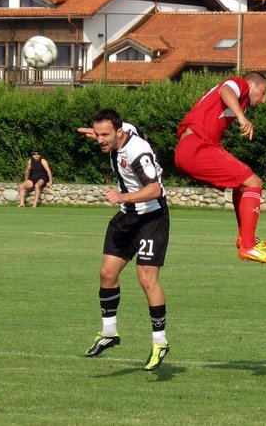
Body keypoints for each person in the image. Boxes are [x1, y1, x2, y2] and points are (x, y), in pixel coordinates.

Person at [83, 108, 171, 371]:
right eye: (97, 134)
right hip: (126, 218)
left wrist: (122, 197)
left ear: (119, 132)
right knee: (107, 273)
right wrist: (99, 135)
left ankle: (160, 342)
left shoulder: (137, 152)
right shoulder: (122, 131)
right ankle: (109, 333)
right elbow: (116, 131)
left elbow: (155, 189)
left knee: (146, 279)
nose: (100, 140)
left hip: (151, 219)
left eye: (105, 135)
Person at [174, 72, 266, 263]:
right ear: (252, 84)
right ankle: (248, 246)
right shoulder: (241, 84)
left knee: (243, 184)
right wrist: (241, 117)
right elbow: (226, 89)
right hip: (196, 146)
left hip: (190, 148)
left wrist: (240, 113)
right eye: (263, 92)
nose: (264, 99)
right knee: (254, 182)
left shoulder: (239, 101)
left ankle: (245, 238)